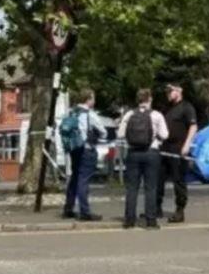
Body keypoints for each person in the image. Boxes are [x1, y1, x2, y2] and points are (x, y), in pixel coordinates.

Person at [118, 88, 168, 229]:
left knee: (132, 188)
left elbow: (120, 134)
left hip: (133, 153)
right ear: (149, 99)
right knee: (150, 188)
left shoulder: (129, 114)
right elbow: (165, 135)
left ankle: (129, 220)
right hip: (151, 152)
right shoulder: (156, 115)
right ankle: (151, 221)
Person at [63, 89, 106, 221]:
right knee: (84, 180)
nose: (94, 100)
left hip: (74, 149)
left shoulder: (71, 112)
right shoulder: (90, 114)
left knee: (75, 178)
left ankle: (68, 208)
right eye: (93, 98)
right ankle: (85, 212)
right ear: (88, 99)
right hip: (87, 149)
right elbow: (103, 131)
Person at [158, 83, 198, 222]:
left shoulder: (186, 107)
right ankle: (156, 208)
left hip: (178, 148)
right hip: (164, 147)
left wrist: (187, 145)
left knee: (178, 180)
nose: (168, 94)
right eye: (167, 92)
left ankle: (180, 211)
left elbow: (193, 126)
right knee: (159, 179)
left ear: (179, 91)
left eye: (171, 91)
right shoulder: (166, 108)